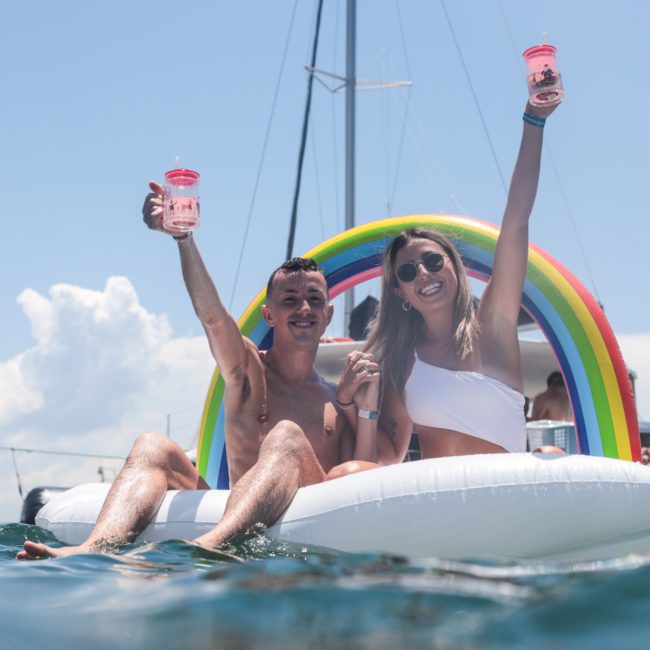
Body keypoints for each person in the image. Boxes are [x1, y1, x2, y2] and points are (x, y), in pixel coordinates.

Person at [17, 183, 385, 560]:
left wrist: (364, 409)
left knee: (287, 436)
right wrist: (183, 239)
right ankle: (95, 548)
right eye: (290, 300)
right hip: (241, 517)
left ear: (328, 314)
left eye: (314, 300)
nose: (304, 308)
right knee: (152, 445)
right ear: (269, 315)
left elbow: (355, 480)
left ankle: (208, 545)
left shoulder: (334, 402)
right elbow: (212, 317)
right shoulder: (248, 370)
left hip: (299, 524)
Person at [364, 100, 559, 459]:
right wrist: (352, 405)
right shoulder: (401, 361)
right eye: (408, 271)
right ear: (400, 291)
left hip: (506, 502)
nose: (424, 273)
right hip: (441, 507)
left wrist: (534, 120)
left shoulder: (494, 326)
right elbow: (389, 454)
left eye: (433, 261)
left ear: (454, 266)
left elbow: (516, 221)